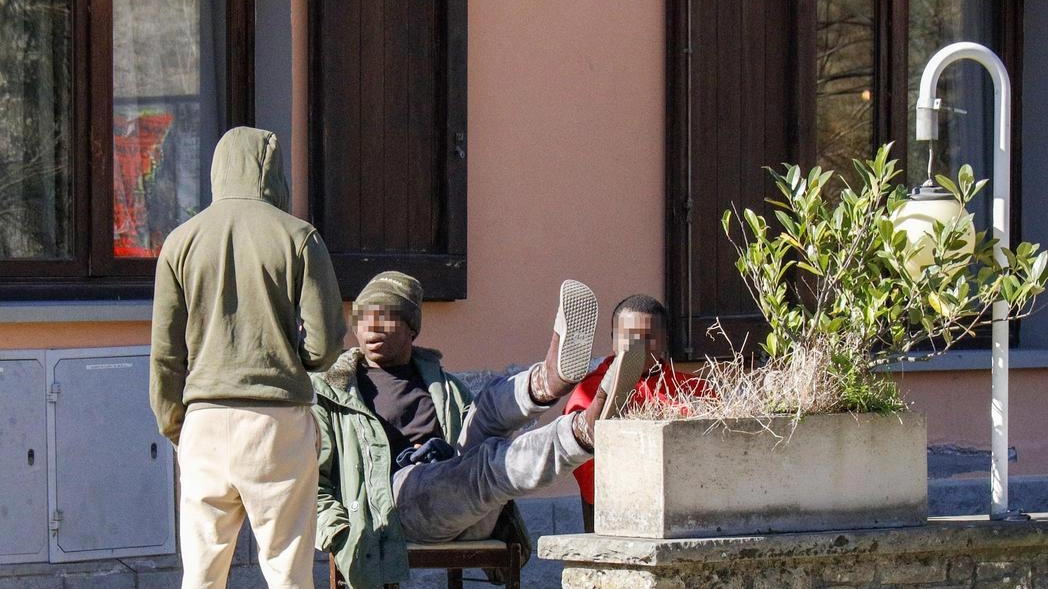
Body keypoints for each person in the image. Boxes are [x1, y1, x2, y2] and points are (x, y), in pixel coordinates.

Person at [312, 272, 643, 588]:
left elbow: (483, 431)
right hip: (398, 511)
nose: (372, 327)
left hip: (470, 503)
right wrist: (340, 533)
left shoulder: (445, 386)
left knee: (486, 409)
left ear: (411, 329)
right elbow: (310, 483)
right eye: (363, 317)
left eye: (386, 316)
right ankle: (581, 433)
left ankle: (547, 380)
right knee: (485, 464)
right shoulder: (335, 393)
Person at [149, 127, 347, 589]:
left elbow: (165, 352)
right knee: (287, 568)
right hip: (277, 421)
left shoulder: (180, 241)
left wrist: (175, 423)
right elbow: (326, 342)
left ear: (218, 170)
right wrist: (298, 359)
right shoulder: (299, 236)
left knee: (201, 572)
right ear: (273, 174)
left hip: (203, 419)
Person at [563, 294, 713, 532]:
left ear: (664, 340)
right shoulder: (589, 390)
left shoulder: (694, 389)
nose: (637, 347)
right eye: (629, 338)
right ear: (613, 340)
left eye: (647, 338)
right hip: (618, 513)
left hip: (689, 509)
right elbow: (584, 467)